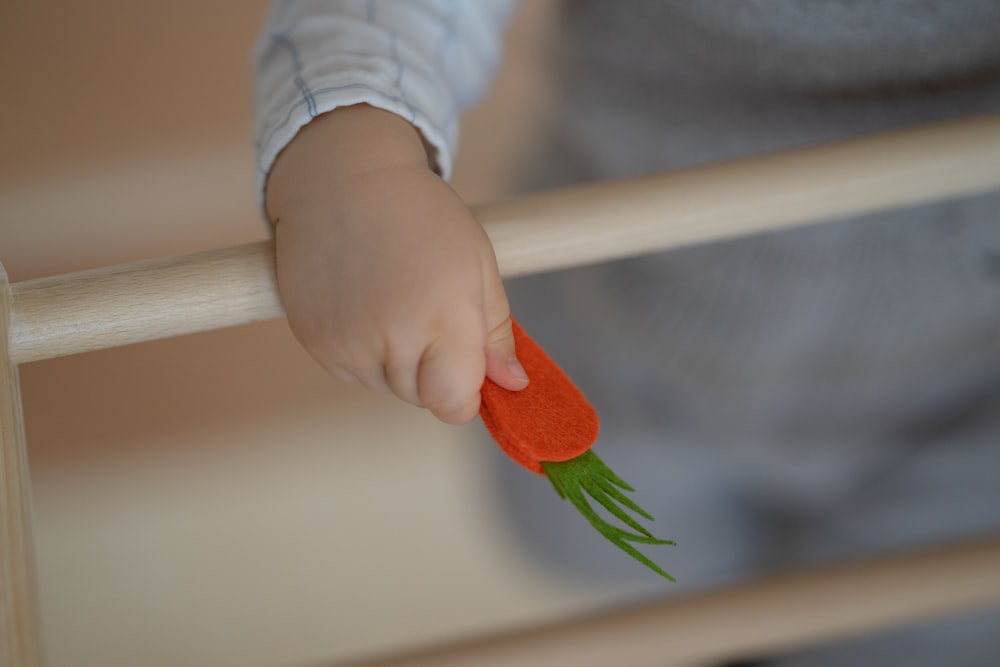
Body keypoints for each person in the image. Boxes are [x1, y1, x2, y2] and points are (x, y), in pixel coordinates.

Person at [255, 2, 1000, 664]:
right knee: (618, 572)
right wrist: (353, 162)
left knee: (917, 631)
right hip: (615, 343)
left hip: (959, 401)